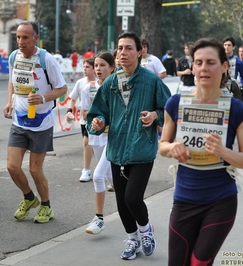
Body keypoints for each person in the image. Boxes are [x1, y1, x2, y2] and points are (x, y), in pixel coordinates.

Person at [158, 38, 243, 265]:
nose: (203, 68)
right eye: (198, 62)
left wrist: (222, 151)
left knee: (199, 261)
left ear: (224, 67)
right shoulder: (176, 103)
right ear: (192, 67)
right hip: (184, 199)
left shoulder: (237, 109)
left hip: (220, 201)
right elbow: (162, 146)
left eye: (210, 62)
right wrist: (172, 147)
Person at [87, 31, 171, 260]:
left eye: (128, 48)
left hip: (142, 148)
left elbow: (170, 109)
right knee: (122, 201)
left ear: (140, 52)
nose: (123, 53)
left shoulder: (151, 80)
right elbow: (98, 113)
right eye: (120, 48)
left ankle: (146, 231)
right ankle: (132, 239)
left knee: (132, 198)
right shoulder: (111, 83)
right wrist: (99, 121)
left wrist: (155, 115)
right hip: (116, 149)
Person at [3, 21, 67, 223]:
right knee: (12, 167)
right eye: (18, 37)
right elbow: (12, 81)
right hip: (19, 121)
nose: (21, 41)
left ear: (35, 38)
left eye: (25, 37)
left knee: (34, 169)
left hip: (41, 123)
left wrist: (43, 98)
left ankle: (46, 206)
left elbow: (62, 89)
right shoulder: (14, 56)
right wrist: (9, 102)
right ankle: (30, 198)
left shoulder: (46, 59)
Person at [81, 51, 115, 235]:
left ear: (112, 68)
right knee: (112, 179)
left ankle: (99, 219)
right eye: (96, 66)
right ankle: (134, 207)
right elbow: (85, 113)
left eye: (102, 65)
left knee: (98, 176)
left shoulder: (117, 88)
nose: (98, 69)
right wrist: (94, 122)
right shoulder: (89, 88)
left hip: (113, 138)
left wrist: (106, 119)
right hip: (96, 137)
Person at [65, 57, 96, 182]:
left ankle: (105, 169)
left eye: (87, 67)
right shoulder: (80, 82)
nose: (84, 69)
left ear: (94, 69)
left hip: (100, 118)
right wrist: (69, 111)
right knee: (86, 141)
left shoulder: (101, 82)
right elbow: (72, 98)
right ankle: (86, 170)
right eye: (83, 67)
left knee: (98, 145)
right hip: (85, 119)